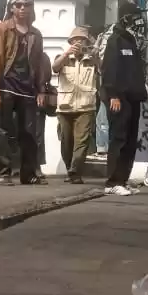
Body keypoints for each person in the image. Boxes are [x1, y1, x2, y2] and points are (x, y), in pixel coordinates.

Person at [0, 0, 49, 186]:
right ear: (11, 8)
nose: (22, 8)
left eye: (26, 5)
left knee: (29, 132)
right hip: (6, 85)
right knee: (2, 131)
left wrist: (41, 89)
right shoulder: (1, 30)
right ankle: (2, 173)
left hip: (27, 88)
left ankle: (28, 173)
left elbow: (39, 64)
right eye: (18, 5)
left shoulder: (36, 34)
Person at [98, 1, 147, 195]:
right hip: (119, 98)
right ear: (126, 17)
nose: (138, 20)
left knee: (130, 140)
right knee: (118, 139)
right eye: (135, 16)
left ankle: (123, 180)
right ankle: (112, 182)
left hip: (133, 98)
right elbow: (109, 69)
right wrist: (113, 95)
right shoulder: (115, 39)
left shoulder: (131, 40)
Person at [54, 27, 98, 184]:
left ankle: (75, 171)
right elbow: (55, 67)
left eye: (82, 40)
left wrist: (95, 54)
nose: (79, 43)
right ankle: (70, 170)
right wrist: (67, 54)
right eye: (75, 40)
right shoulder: (63, 57)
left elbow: (104, 69)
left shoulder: (92, 59)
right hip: (65, 107)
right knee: (66, 141)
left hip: (86, 107)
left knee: (82, 142)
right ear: (70, 42)